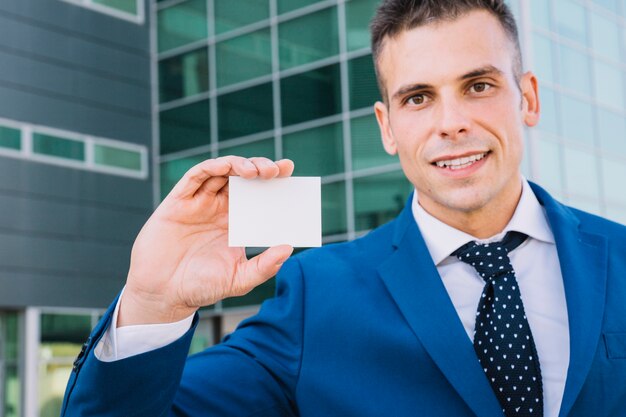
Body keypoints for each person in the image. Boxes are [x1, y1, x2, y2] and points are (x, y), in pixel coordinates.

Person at [61, 1, 626, 416]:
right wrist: (153, 302)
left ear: (526, 97)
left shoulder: (620, 257)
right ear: (387, 127)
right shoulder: (317, 295)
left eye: (477, 86)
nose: (450, 123)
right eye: (418, 97)